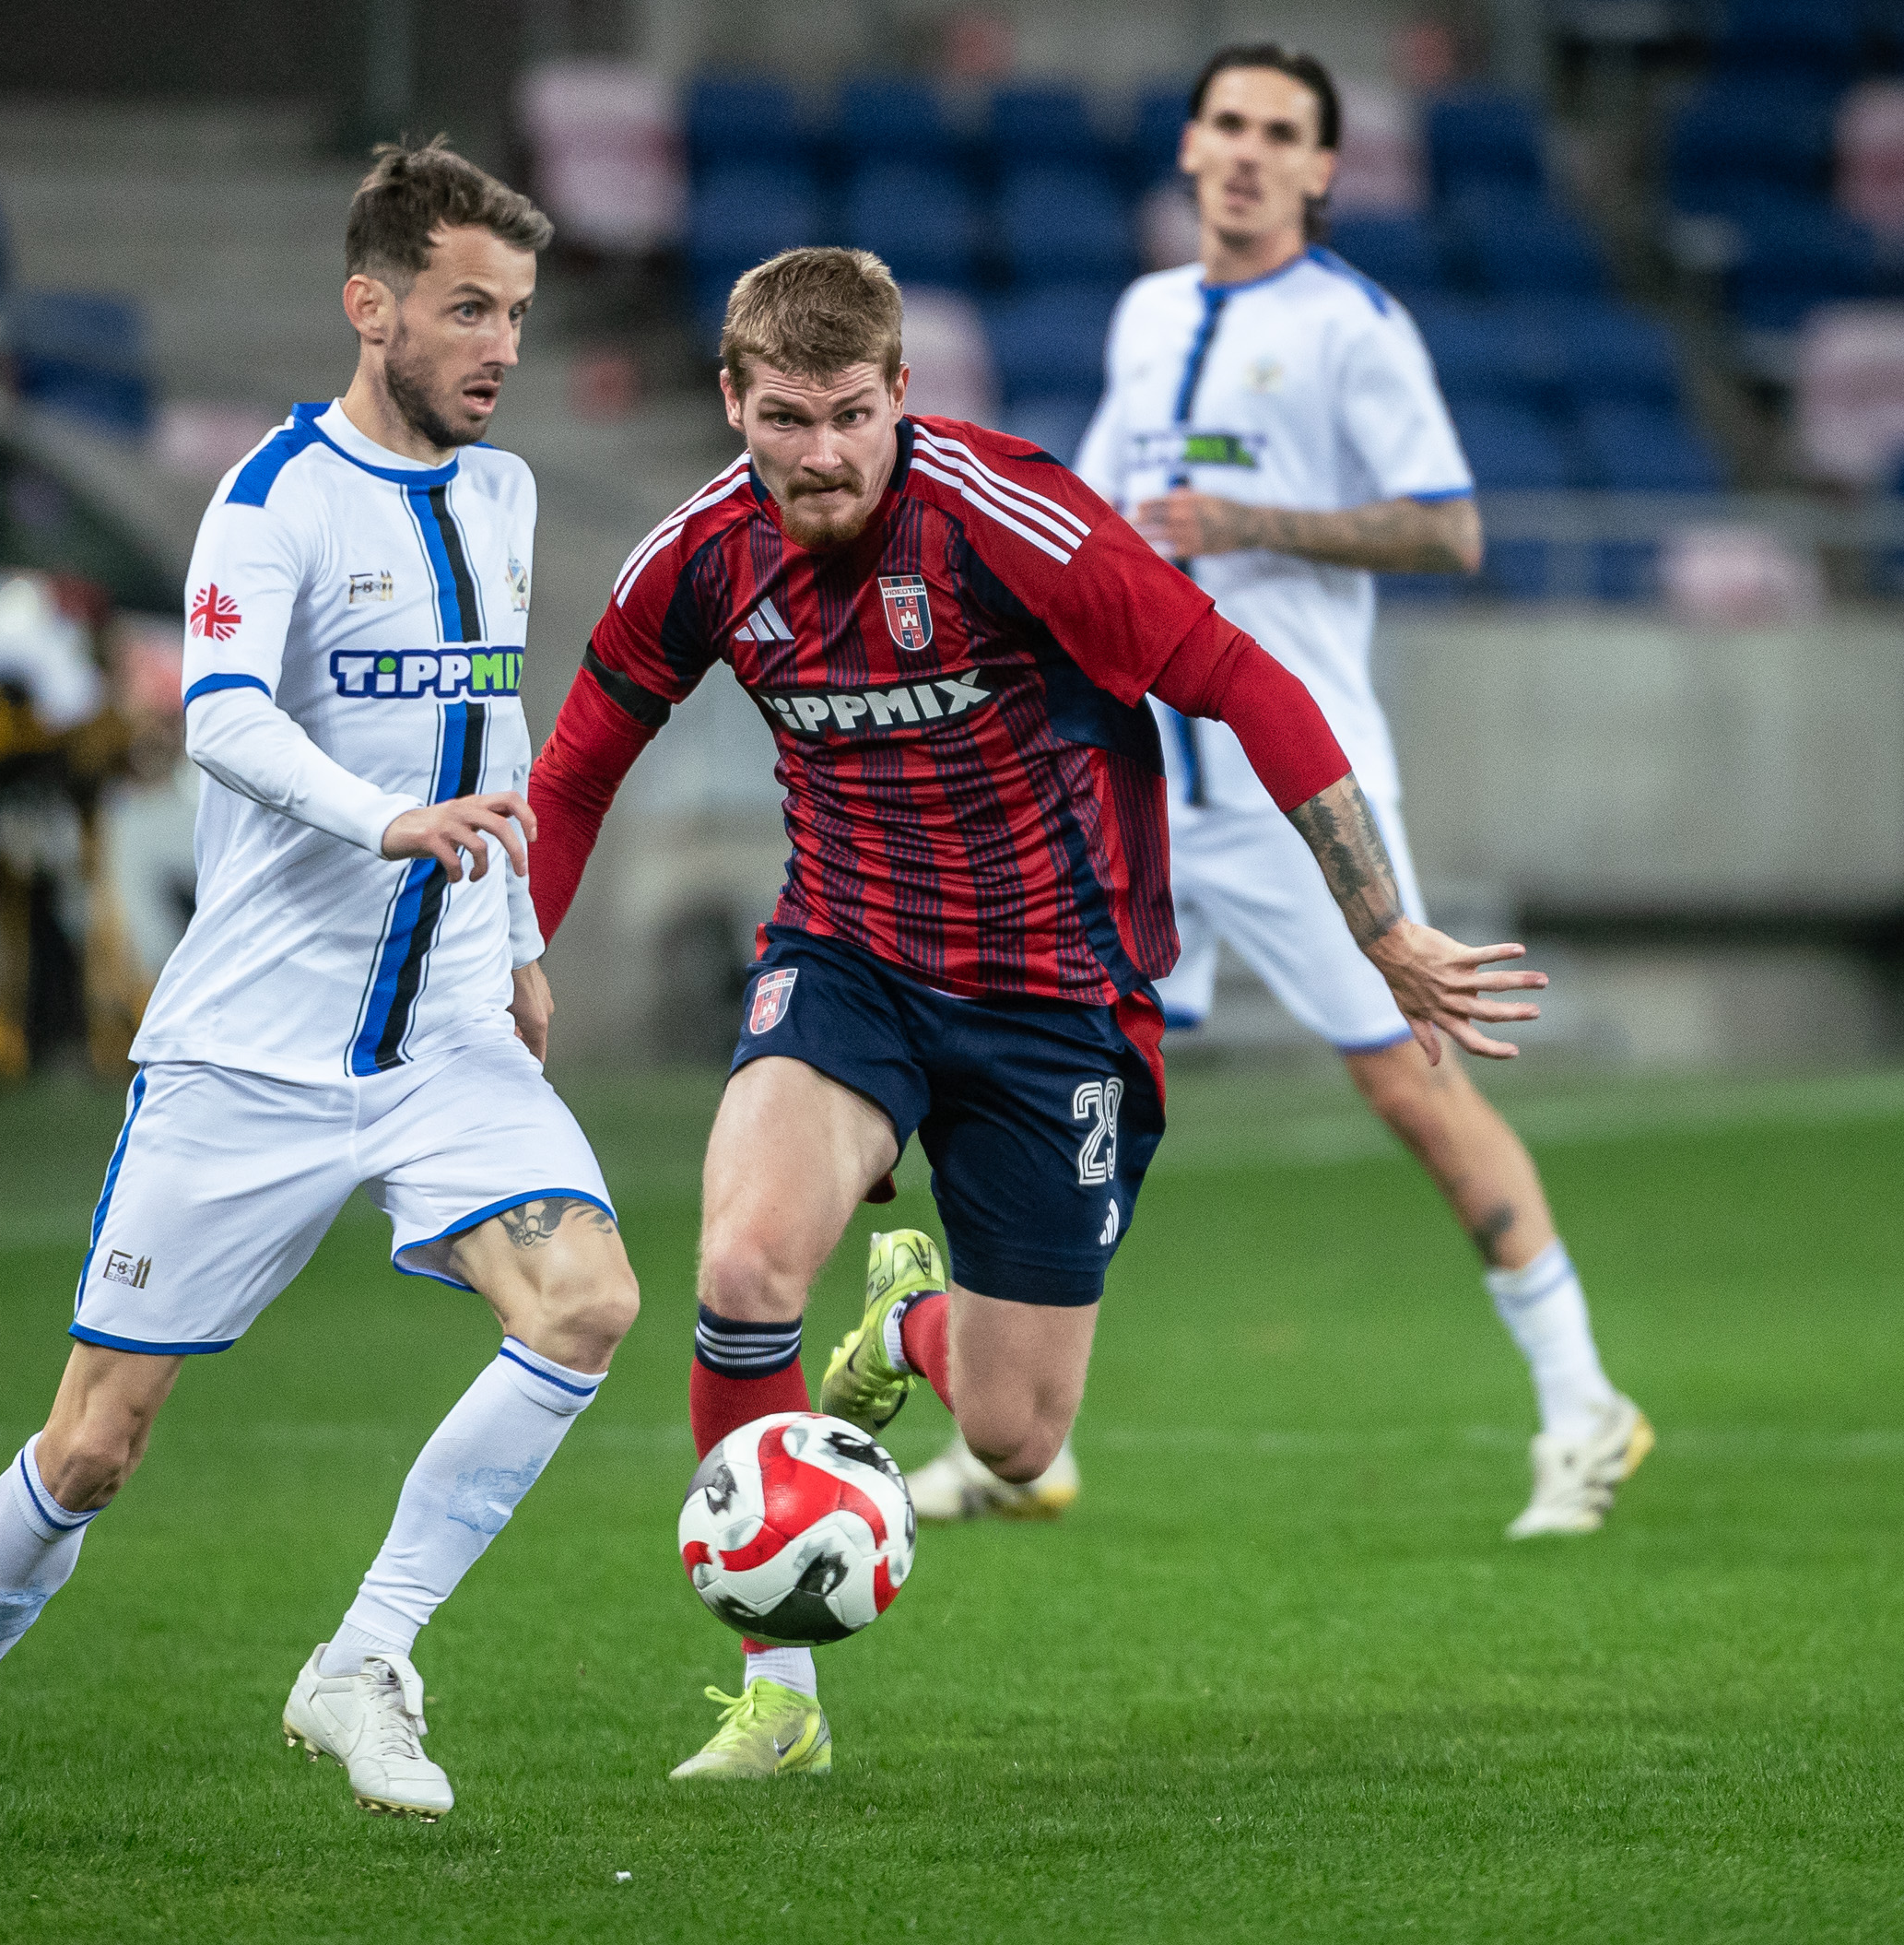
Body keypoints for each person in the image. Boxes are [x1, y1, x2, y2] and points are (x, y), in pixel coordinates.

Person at [527, 245, 1539, 1781]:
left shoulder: (1010, 520)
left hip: (1058, 1002)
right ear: (732, 402)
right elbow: (576, 770)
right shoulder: (698, 560)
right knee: (740, 1266)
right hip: (849, 960)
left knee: (1016, 1438)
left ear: (901, 395)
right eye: (786, 417)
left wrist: (1380, 923)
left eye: (851, 415)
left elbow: (1243, 678)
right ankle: (777, 1695)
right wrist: (514, 958)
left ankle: (907, 1326)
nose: (821, 453)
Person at [0, 140, 639, 1841]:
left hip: (442, 1038)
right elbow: (221, 717)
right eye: (467, 309)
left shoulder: (502, 495)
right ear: (370, 306)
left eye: (516, 313)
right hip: (251, 1055)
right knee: (94, 1446)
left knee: (583, 1303)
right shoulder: (273, 500)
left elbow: (490, 725)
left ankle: (366, 1655)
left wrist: (519, 943)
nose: (501, 345)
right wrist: (387, 822)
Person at [934, 41, 1646, 1543]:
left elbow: (1450, 531)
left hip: (1292, 789)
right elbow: (1094, 515)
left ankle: (1584, 1403)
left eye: (1282, 132)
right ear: (1190, 146)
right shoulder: (1147, 313)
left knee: (1412, 1085)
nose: (1249, 151)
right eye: (1229, 124)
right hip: (1142, 788)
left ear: (1323, 168)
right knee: (1063, 1083)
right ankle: (1017, 1442)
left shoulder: (1353, 329)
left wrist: (1254, 520)